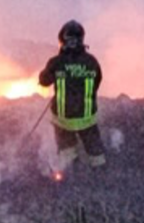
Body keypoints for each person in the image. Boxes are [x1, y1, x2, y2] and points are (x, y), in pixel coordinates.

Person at [39, 20, 106, 169]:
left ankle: (73, 173)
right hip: (87, 119)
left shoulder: (56, 62)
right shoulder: (91, 62)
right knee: (96, 153)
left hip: (64, 120)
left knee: (68, 154)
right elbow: (97, 82)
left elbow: (44, 81)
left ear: (62, 40)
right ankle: (100, 176)